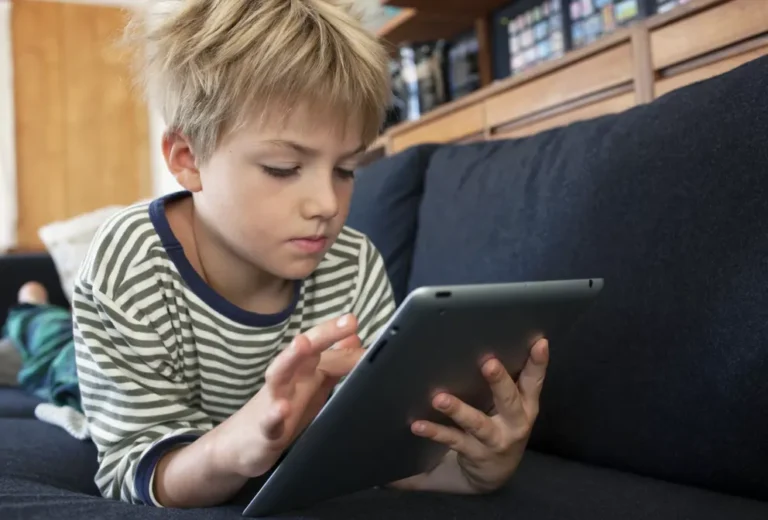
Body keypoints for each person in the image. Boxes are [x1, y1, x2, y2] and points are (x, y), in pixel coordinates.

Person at [71, 0, 550, 509]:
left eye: (345, 171)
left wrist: (480, 471)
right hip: (111, 365)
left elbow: (374, 451)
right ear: (188, 160)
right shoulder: (129, 265)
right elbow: (133, 470)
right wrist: (237, 448)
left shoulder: (353, 265)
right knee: (50, 363)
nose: (327, 205)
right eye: (282, 168)